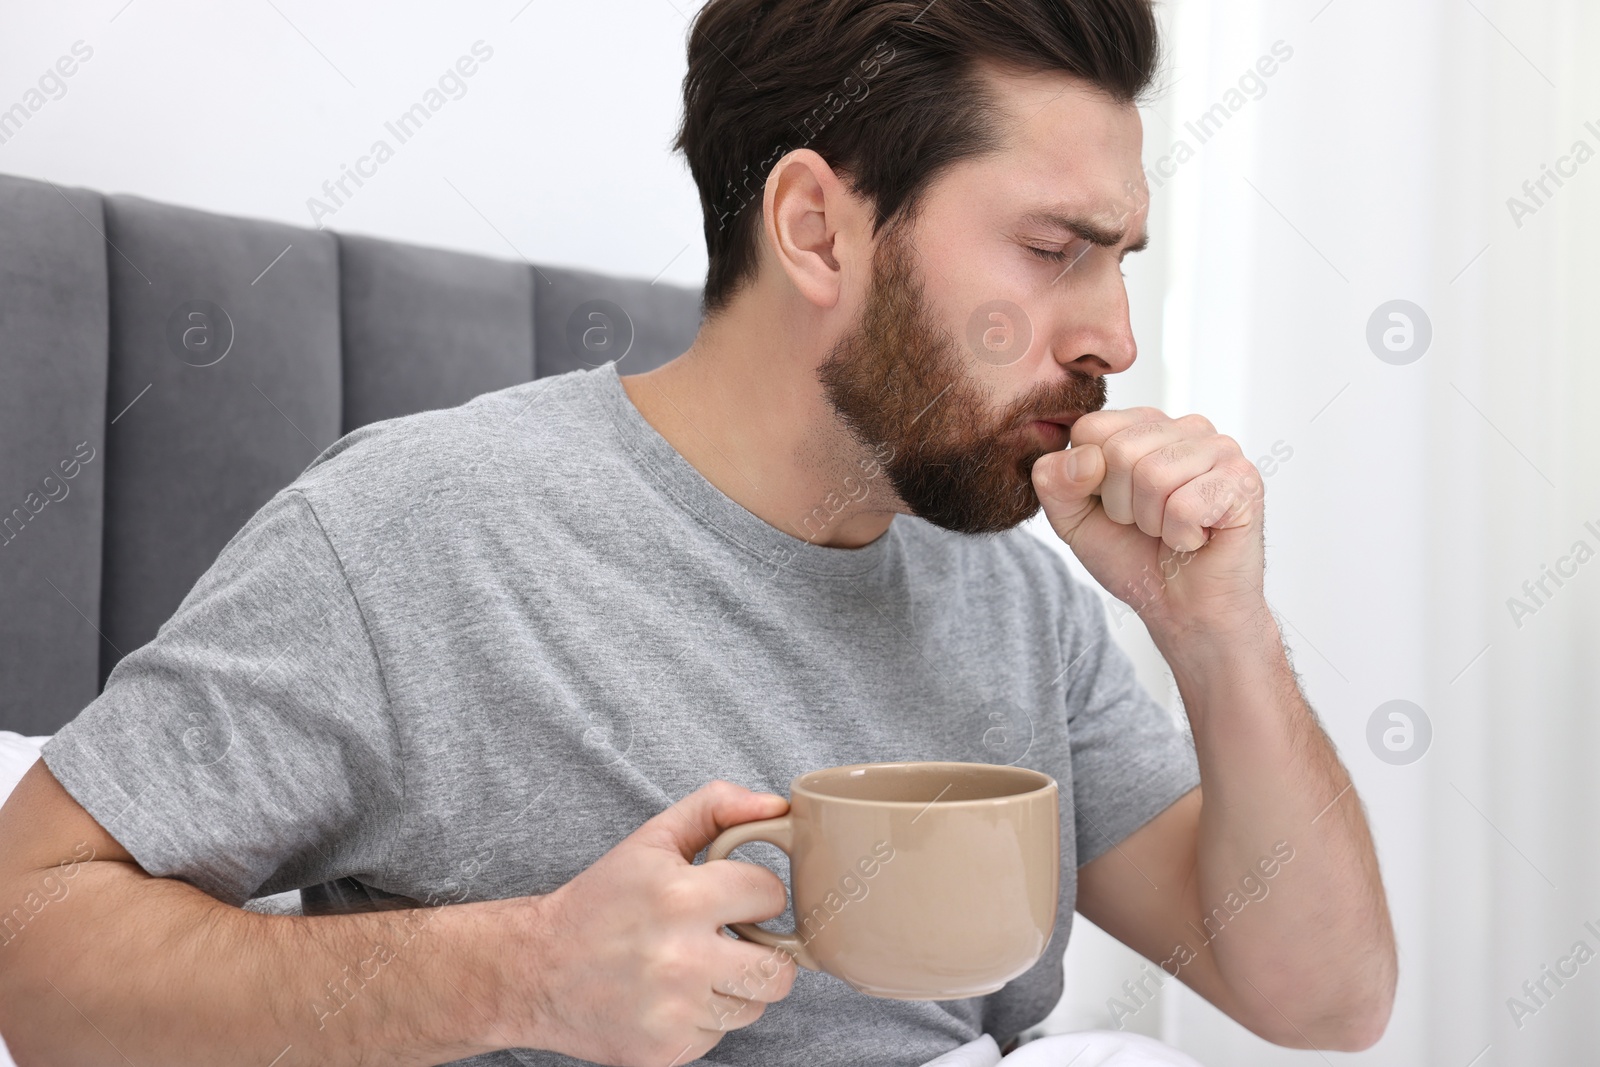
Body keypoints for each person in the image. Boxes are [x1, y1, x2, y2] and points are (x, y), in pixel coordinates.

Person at [0, 1, 1396, 1064]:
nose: (1116, 338)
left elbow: (1323, 998)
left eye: (1121, 257)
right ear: (817, 230)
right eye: (1054, 250)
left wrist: (1220, 633)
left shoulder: (1021, 605)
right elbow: (29, 941)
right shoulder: (420, 531)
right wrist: (524, 970)